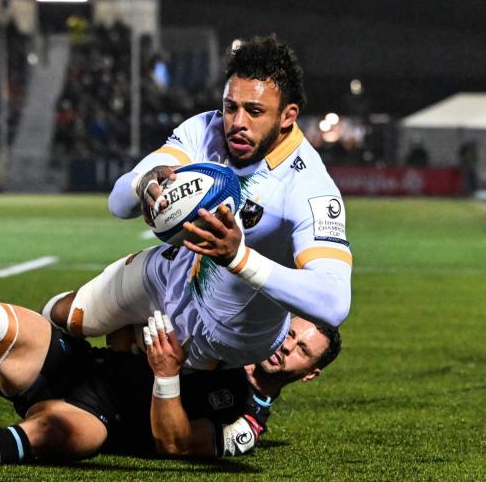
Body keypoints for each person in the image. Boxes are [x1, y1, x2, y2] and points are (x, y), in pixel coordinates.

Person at [45, 35, 352, 370]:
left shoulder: (310, 186)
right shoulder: (205, 130)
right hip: (170, 272)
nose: (237, 123)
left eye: (255, 111)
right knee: (64, 316)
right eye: (230, 106)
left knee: (136, 386)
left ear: (287, 116)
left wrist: (239, 258)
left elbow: (334, 301)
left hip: (233, 333)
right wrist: (143, 182)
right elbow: (119, 204)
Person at [0, 295, 340, 471]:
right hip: (76, 364)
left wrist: (168, 375)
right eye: (292, 333)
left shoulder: (248, 422)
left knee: (55, 432)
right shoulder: (228, 328)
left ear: (309, 373)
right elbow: (130, 325)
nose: (286, 346)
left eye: (300, 351)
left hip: (98, 420)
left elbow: (174, 441)